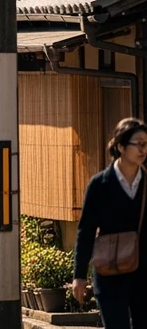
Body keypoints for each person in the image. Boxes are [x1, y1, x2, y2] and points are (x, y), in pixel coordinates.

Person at [73, 117, 147, 328]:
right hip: (109, 271)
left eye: (146, 144)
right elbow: (86, 230)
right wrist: (79, 275)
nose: (143, 149)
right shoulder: (100, 184)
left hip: (143, 274)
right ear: (121, 146)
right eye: (138, 144)